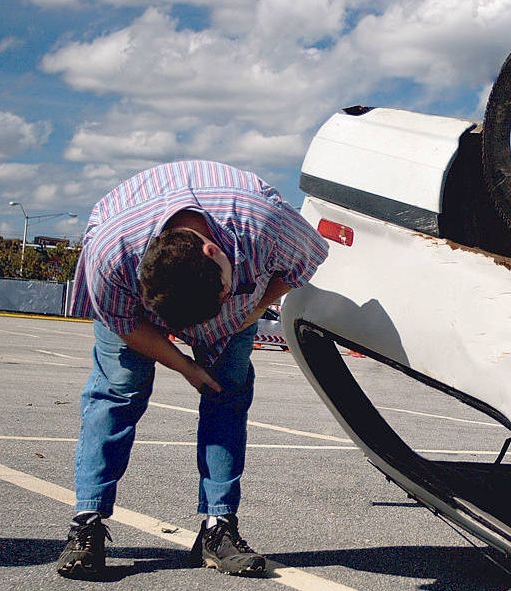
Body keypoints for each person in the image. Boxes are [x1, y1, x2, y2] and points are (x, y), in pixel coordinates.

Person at [55, 160, 329, 579]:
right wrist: (185, 366)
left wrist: (252, 308)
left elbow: (307, 259)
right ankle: (86, 524)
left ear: (213, 251)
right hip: (142, 301)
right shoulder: (111, 253)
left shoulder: (265, 223)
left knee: (226, 395)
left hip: (240, 308)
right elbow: (125, 324)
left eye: (219, 292)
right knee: (118, 391)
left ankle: (218, 530)